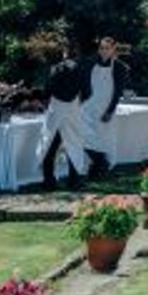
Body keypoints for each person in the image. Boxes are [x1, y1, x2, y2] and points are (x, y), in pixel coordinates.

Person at [41, 36, 91, 189]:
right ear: (76, 53)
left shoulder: (54, 69)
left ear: (64, 52)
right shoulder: (81, 69)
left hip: (56, 109)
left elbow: (47, 91)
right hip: (72, 109)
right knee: (73, 143)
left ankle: (49, 180)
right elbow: (87, 92)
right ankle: (74, 180)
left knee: (50, 143)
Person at [80, 37, 128, 175]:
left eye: (107, 48)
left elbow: (118, 92)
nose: (104, 51)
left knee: (103, 139)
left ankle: (98, 167)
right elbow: (84, 85)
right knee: (82, 135)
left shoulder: (120, 67)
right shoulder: (90, 64)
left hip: (105, 109)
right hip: (88, 107)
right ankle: (100, 162)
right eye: (102, 48)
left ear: (113, 49)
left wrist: (110, 111)